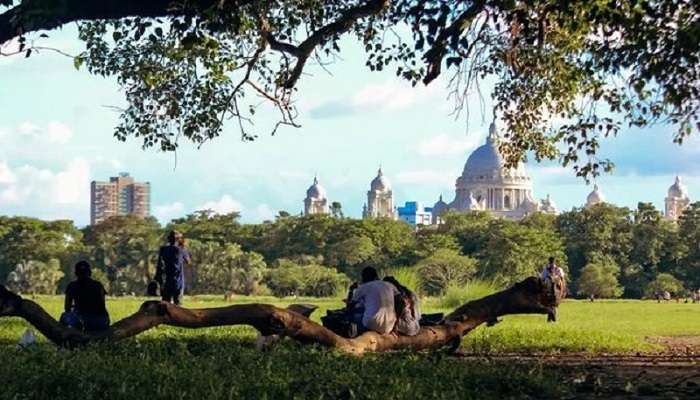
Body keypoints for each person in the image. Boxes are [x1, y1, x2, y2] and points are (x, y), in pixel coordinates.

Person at [60, 261, 110, 332]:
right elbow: (102, 306)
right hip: (101, 322)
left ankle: (68, 337)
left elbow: (67, 308)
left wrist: (75, 307)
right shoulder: (98, 285)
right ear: (90, 273)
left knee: (64, 316)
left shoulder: (72, 286)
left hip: (84, 321)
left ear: (76, 273)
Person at [347, 267, 399, 335]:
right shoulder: (389, 285)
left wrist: (351, 291)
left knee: (350, 315)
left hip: (371, 324)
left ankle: (353, 334)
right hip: (390, 325)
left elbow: (349, 307)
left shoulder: (363, 287)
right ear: (376, 276)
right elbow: (401, 301)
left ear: (364, 278)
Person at [156, 230, 187, 305]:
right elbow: (188, 261)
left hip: (166, 281)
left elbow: (159, 265)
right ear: (178, 239)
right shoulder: (181, 249)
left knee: (165, 305)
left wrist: (158, 279)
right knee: (178, 306)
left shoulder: (163, 249)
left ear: (169, 239)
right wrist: (183, 245)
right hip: (178, 282)